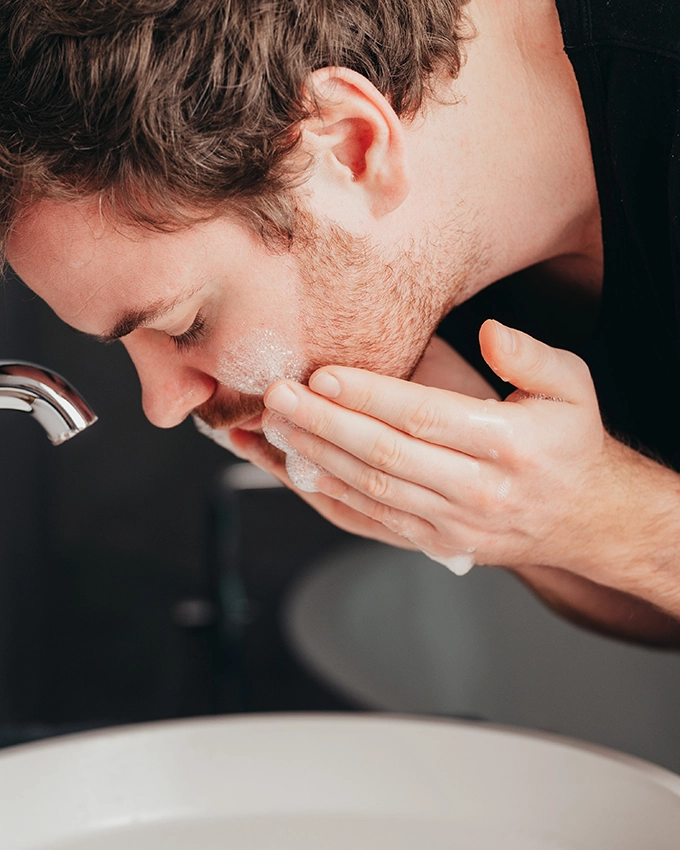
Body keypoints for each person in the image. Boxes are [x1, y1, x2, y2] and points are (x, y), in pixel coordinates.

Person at [2, 0, 680, 645]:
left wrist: (602, 514)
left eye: (186, 325)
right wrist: (507, 518)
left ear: (352, 146)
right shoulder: (410, 247)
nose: (163, 405)